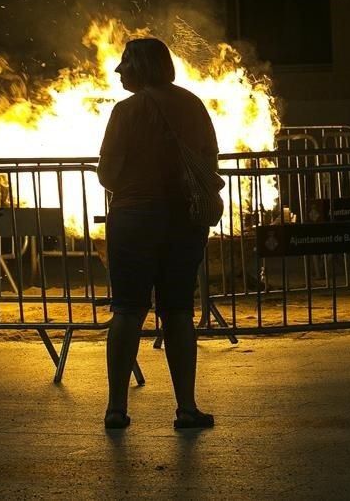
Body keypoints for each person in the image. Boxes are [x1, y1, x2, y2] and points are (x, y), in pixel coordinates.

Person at [97, 37, 218, 430]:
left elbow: (107, 174)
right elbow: (208, 160)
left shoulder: (126, 111)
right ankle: (186, 408)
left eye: (125, 62)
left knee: (128, 310)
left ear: (141, 66)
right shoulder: (193, 105)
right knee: (179, 311)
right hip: (184, 220)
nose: (118, 70)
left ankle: (116, 408)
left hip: (133, 219)